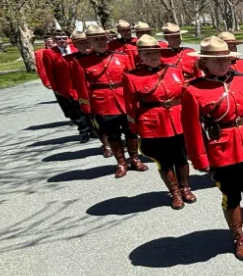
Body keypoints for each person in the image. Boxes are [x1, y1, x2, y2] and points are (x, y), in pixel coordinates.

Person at [181, 36, 243, 261]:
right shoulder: (194, 91)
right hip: (222, 149)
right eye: (216, 60)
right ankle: (239, 238)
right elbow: (192, 130)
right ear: (204, 64)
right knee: (231, 196)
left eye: (225, 59)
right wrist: (200, 159)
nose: (222, 63)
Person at [123, 34, 196, 210]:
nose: (153, 56)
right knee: (164, 161)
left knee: (182, 158)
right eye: (147, 54)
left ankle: (185, 187)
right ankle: (175, 192)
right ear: (140, 55)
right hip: (154, 124)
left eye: (155, 52)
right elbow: (130, 107)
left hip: (178, 120)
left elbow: (185, 94)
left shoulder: (173, 70)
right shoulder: (132, 77)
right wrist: (135, 129)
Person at [74, 25, 146, 178]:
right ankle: (121, 162)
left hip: (124, 99)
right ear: (90, 42)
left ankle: (134, 158)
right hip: (102, 102)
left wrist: (137, 100)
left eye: (103, 38)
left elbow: (133, 80)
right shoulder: (82, 62)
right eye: (96, 39)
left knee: (131, 131)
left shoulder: (122, 56)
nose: (101, 42)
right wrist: (87, 108)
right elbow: (81, 87)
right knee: (112, 134)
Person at [43, 30, 92, 143]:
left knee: (87, 107)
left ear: (68, 39)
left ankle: (92, 129)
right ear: (55, 40)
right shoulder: (49, 53)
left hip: (82, 84)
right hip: (66, 86)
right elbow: (50, 72)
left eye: (64, 38)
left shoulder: (76, 49)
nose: (62, 41)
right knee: (75, 110)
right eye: (59, 39)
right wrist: (56, 89)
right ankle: (83, 131)